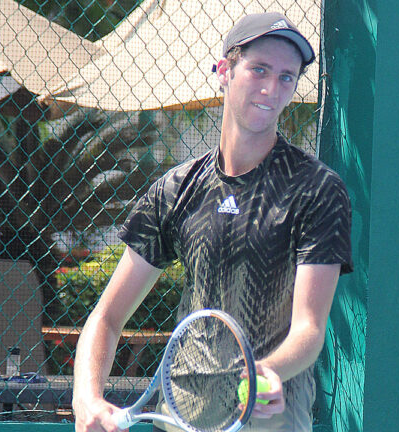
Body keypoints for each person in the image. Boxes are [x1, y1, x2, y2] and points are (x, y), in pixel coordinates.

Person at [72, 12, 353, 432]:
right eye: (259, 69)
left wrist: (269, 371)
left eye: (286, 77)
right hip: (181, 414)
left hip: (270, 418)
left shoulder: (317, 190)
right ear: (224, 70)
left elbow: (309, 329)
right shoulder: (176, 189)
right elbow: (106, 319)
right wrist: (87, 399)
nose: (271, 88)